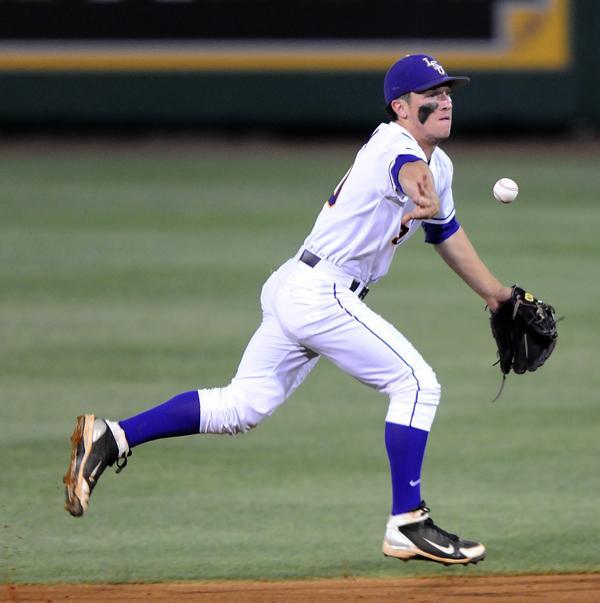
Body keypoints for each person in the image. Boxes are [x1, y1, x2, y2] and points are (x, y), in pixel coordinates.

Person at [63, 53, 513, 568]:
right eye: (432, 94)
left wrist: (496, 295)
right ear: (401, 107)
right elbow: (406, 171)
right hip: (320, 293)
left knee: (241, 406)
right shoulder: (394, 143)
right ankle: (407, 521)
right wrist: (419, 186)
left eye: (449, 91)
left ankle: (113, 435)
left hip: (298, 287)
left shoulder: (442, 166)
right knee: (416, 384)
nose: (446, 101)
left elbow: (445, 234)